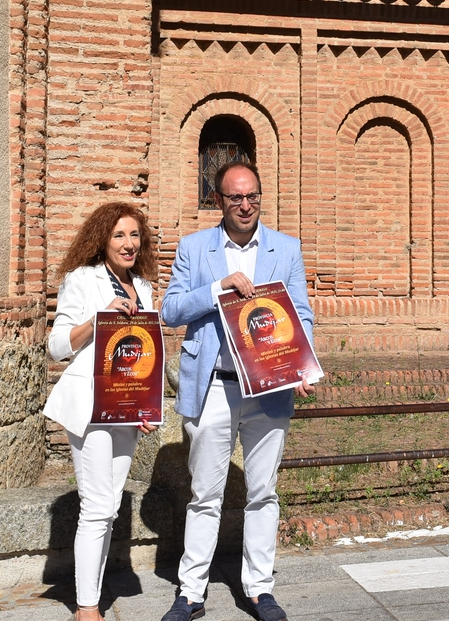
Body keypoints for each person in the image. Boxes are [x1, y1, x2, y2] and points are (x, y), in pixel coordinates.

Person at [159, 162, 316, 621]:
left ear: (260, 198)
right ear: (219, 201)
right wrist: (217, 288)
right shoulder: (195, 248)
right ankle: (190, 593)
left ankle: (259, 590)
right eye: (234, 198)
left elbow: (301, 313)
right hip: (213, 387)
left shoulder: (286, 248)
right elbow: (170, 310)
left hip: (269, 387)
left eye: (252, 197)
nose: (245, 206)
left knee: (263, 491)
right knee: (205, 493)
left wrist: (302, 364)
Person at [44, 202, 158, 621]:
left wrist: (146, 404)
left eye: (134, 235)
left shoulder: (143, 287)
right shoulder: (81, 280)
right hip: (91, 406)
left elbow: (142, 351)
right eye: (119, 236)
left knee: (109, 505)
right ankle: (87, 607)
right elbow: (57, 347)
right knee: (96, 506)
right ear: (102, 240)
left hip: (126, 404)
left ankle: (91, 590)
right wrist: (97, 319)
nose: (129, 244)